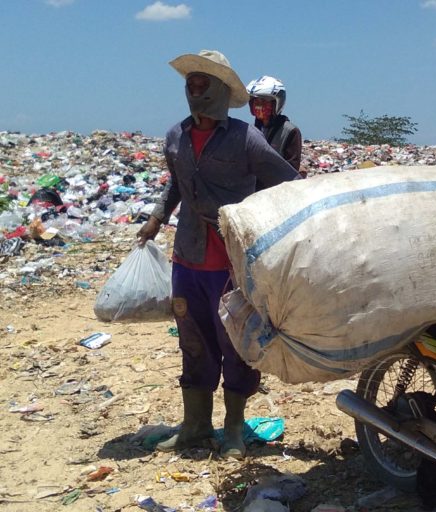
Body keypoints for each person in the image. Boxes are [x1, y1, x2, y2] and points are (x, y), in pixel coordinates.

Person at [137, 49, 301, 459]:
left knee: (236, 341)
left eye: (200, 83)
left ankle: (232, 429)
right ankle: (195, 426)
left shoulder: (245, 137)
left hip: (231, 262)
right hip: (187, 259)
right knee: (193, 340)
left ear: (217, 90)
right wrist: (158, 217)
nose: (192, 91)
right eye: (188, 84)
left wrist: (258, 224)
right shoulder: (176, 135)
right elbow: (176, 183)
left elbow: (288, 183)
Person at [246, 76, 303, 175]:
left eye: (263, 101)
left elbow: (291, 170)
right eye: (255, 101)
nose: (258, 105)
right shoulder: (250, 130)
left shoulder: (290, 132)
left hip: (276, 188)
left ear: (276, 103)